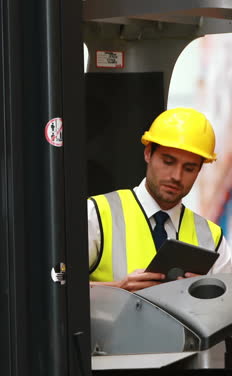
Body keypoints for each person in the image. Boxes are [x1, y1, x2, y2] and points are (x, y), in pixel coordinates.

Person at [88, 107, 232, 292]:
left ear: (199, 171)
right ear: (148, 153)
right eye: (168, 161)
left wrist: (205, 295)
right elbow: (57, 289)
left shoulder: (213, 237)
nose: (176, 176)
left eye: (189, 168)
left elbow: (225, 308)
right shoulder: (97, 214)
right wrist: (117, 289)